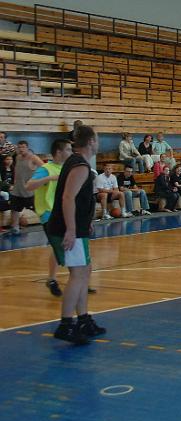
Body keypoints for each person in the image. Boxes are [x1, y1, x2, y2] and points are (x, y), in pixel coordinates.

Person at [47, 125, 106, 345]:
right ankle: (66, 325)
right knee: (78, 274)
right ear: (91, 141)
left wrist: (86, 221)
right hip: (67, 228)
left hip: (77, 227)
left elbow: (79, 199)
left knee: (85, 270)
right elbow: (68, 198)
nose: (98, 143)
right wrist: (71, 230)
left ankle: (83, 319)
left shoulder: (78, 163)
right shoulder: (79, 165)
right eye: (97, 139)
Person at [26, 139, 73, 297]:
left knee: (61, 246)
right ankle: (75, 278)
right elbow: (29, 186)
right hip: (48, 213)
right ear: (59, 152)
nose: (71, 152)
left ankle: (54, 279)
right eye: (68, 149)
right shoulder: (46, 169)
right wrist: (49, 179)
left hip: (62, 212)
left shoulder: (66, 168)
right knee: (62, 245)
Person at [3, 140, 44, 236]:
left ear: (27, 148)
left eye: (23, 147)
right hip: (17, 190)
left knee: (38, 210)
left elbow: (45, 168)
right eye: (19, 147)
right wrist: (14, 183)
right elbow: (17, 171)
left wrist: (38, 181)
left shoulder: (33, 158)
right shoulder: (17, 157)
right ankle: (15, 228)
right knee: (14, 209)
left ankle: (49, 227)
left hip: (29, 191)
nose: (21, 149)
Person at [0, 154, 13, 231]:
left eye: (11, 159)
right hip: (4, 189)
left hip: (8, 188)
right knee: (6, 194)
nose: (9, 161)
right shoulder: (2, 169)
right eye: (7, 159)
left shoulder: (13, 169)